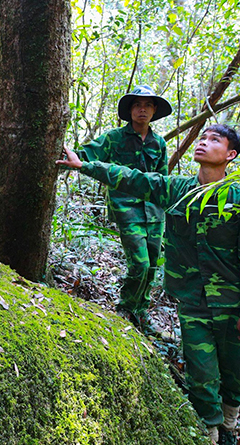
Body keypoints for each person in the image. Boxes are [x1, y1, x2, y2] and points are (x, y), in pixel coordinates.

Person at [58, 124, 240, 445]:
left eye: (215, 140)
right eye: (202, 137)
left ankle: (229, 422)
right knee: (200, 373)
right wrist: (84, 165)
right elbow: (135, 179)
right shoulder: (179, 189)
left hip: (233, 305)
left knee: (239, 373)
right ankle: (210, 432)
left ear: (230, 155)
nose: (203, 143)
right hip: (193, 303)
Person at [78, 85, 170, 333]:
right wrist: (67, 158)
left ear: (154, 111)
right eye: (137, 105)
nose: (143, 109)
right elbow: (86, 154)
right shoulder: (114, 138)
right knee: (139, 264)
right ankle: (125, 308)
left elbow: (163, 180)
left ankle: (141, 310)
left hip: (154, 212)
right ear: (130, 111)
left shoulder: (158, 143)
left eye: (148, 105)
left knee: (151, 264)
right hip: (126, 208)